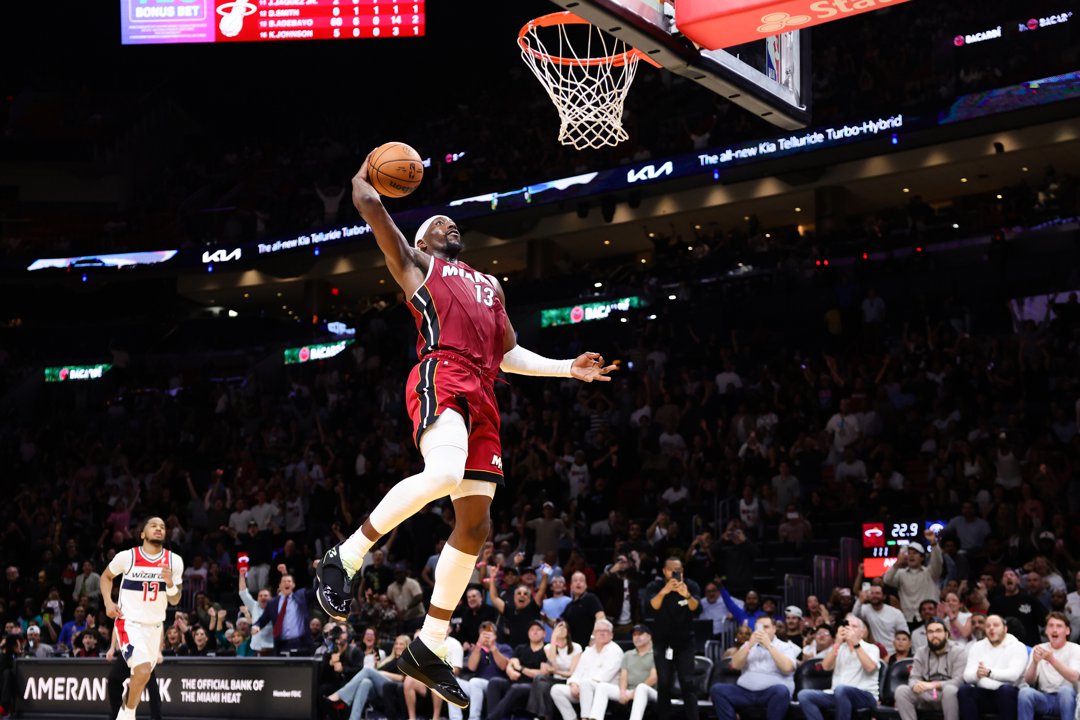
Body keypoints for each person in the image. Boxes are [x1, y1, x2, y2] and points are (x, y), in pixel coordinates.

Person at [314, 165, 617, 712]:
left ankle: (429, 644)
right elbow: (369, 204)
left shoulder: (490, 285)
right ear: (423, 239)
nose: (449, 224)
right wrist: (362, 175)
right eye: (439, 222)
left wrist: (569, 368)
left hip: (483, 389)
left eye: (454, 223)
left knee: (476, 523)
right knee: (446, 472)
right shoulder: (417, 266)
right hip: (442, 374)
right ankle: (345, 555)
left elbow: (509, 355)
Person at [100, 517, 184, 720]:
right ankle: (127, 715)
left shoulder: (174, 561)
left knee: (142, 675)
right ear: (142, 534)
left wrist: (170, 583)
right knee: (144, 670)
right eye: (153, 525)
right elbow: (106, 577)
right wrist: (108, 603)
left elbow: (175, 599)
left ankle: (125, 712)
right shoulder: (127, 557)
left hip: (154, 627)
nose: (159, 528)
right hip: (129, 623)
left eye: (162, 527)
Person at [645, 556, 702, 720]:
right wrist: (665, 591)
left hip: (685, 643)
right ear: (664, 571)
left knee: (688, 683)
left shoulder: (690, 585)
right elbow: (651, 607)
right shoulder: (654, 586)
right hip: (663, 643)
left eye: (679, 571)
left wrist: (687, 595)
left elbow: (697, 608)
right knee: (663, 684)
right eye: (672, 570)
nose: (675, 573)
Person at [710, 616, 799, 720]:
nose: (762, 631)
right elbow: (734, 665)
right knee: (717, 690)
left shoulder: (785, 647)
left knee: (781, 691)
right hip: (745, 693)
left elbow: (787, 668)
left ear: (774, 629)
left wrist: (769, 646)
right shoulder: (748, 645)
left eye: (766, 627)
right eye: (759, 627)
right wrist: (749, 645)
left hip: (771, 693)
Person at [796, 615, 881, 720]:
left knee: (841, 689)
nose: (849, 629)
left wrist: (856, 644)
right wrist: (837, 643)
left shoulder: (871, 648)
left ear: (862, 632)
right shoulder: (839, 648)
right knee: (804, 695)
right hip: (837, 694)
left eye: (854, 626)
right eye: (846, 626)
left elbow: (870, 667)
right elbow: (825, 667)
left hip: (864, 695)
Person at [892, 618, 966, 720]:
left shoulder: (959, 651)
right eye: (930, 632)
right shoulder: (921, 652)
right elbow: (913, 678)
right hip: (926, 694)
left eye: (938, 631)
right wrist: (915, 686)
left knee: (950, 690)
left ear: (946, 634)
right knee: (901, 691)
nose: (934, 635)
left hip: (946, 695)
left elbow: (959, 681)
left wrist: (933, 685)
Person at [551, 619, 624, 720]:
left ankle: (585, 717)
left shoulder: (616, 651)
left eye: (605, 631)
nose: (602, 633)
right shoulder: (588, 651)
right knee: (556, 689)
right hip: (583, 688)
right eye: (599, 631)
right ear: (594, 633)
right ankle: (571, 718)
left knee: (586, 683)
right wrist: (574, 684)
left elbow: (605, 677)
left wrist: (581, 685)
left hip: (604, 688)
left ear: (611, 635)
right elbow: (578, 672)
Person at [958, 614, 1027, 720]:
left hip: (1010, 694)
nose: (991, 628)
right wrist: (977, 675)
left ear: (1005, 628)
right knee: (965, 690)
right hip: (984, 693)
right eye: (988, 626)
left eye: (996, 625)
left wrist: (989, 673)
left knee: (1005, 690)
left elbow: (1013, 675)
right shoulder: (977, 646)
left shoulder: (1018, 646)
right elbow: (967, 676)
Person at [327, 634, 410, 720]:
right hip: (379, 689)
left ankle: (339, 695)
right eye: (396, 644)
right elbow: (377, 673)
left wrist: (383, 673)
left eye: (401, 644)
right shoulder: (389, 659)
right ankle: (354, 718)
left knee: (367, 670)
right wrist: (376, 666)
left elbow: (404, 678)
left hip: (394, 688)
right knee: (365, 682)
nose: (398, 646)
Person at [587, 623, 658, 720]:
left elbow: (653, 678)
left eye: (640, 634)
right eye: (634, 635)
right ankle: (595, 718)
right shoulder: (628, 655)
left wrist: (634, 693)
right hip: (629, 690)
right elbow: (623, 677)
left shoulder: (655, 654)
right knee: (602, 686)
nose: (637, 637)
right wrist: (623, 692)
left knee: (642, 687)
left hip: (651, 692)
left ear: (649, 636)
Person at [1018, 612, 1080, 720]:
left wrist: (1052, 660)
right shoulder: (1038, 648)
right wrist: (1035, 662)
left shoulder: (1075, 649)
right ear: (1046, 631)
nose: (1054, 630)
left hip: (1068, 699)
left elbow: (1074, 676)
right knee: (1025, 692)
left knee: (1065, 690)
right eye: (1051, 626)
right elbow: (1029, 681)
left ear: (1067, 631)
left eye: (1059, 626)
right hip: (1044, 697)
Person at [484, 619, 550, 720]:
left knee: (517, 688)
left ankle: (491, 718)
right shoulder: (521, 648)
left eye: (538, 629)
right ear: (528, 634)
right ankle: (492, 716)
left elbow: (542, 673)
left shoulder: (547, 650)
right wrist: (510, 670)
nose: (535, 631)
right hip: (515, 682)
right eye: (532, 629)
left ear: (544, 634)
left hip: (534, 687)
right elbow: (511, 664)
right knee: (494, 682)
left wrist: (520, 668)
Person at [882, 532, 944, 623]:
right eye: (909, 553)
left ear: (922, 558)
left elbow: (937, 562)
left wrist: (933, 543)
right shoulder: (900, 574)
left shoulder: (930, 572)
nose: (911, 555)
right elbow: (887, 580)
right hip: (909, 619)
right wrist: (896, 564)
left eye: (915, 553)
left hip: (930, 617)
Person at [251, 570, 313, 655]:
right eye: (284, 581)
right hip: (281, 645)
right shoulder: (272, 603)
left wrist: (319, 571)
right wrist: (256, 626)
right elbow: (262, 620)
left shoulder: (301, 597)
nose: (286, 583)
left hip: (301, 644)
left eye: (289, 581)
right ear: (280, 586)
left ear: (293, 585)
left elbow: (316, 590)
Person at [462, 620, 512, 720]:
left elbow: (503, 666)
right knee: (452, 684)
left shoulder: (504, 648)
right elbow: (471, 667)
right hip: (477, 686)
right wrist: (478, 646)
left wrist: (493, 648)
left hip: (496, 684)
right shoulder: (477, 650)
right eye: (483, 634)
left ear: (495, 635)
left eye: (489, 633)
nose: (486, 636)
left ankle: (474, 718)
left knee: (474, 682)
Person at [853, 582, 909, 656]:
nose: (874, 596)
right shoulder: (865, 609)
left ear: (884, 596)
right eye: (872, 593)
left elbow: (905, 634)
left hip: (892, 653)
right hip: (871, 652)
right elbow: (854, 616)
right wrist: (860, 600)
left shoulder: (896, 613)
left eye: (877, 593)